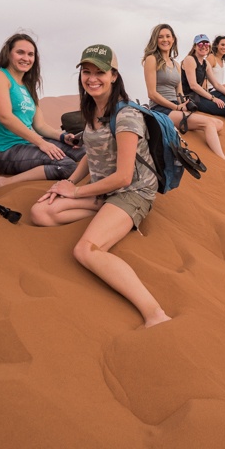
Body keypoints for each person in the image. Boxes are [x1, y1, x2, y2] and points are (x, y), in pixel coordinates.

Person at [30, 44, 171, 328]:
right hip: (104, 192)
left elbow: (124, 177)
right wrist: (69, 181)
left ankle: (155, 314)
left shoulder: (126, 116)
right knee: (40, 212)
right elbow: (90, 154)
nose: (92, 78)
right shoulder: (94, 109)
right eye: (86, 72)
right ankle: (108, 214)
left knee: (86, 250)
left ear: (114, 75)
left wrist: (76, 192)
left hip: (132, 193)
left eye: (100, 72)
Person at [0, 33, 84, 194]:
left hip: (28, 144)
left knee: (85, 153)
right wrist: (41, 143)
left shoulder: (27, 86)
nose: (26, 58)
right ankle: (3, 183)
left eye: (30, 54)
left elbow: (40, 125)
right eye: (20, 52)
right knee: (66, 165)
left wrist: (63, 137)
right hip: (4, 151)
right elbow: (5, 117)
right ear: (8, 53)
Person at [142, 24, 225, 160]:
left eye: (168, 36)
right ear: (155, 40)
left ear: (173, 39)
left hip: (176, 107)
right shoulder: (151, 59)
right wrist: (176, 107)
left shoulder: (176, 64)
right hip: (161, 109)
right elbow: (152, 94)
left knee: (219, 124)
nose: (165, 40)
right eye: (160, 37)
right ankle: (223, 161)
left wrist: (183, 104)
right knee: (208, 123)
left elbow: (179, 93)